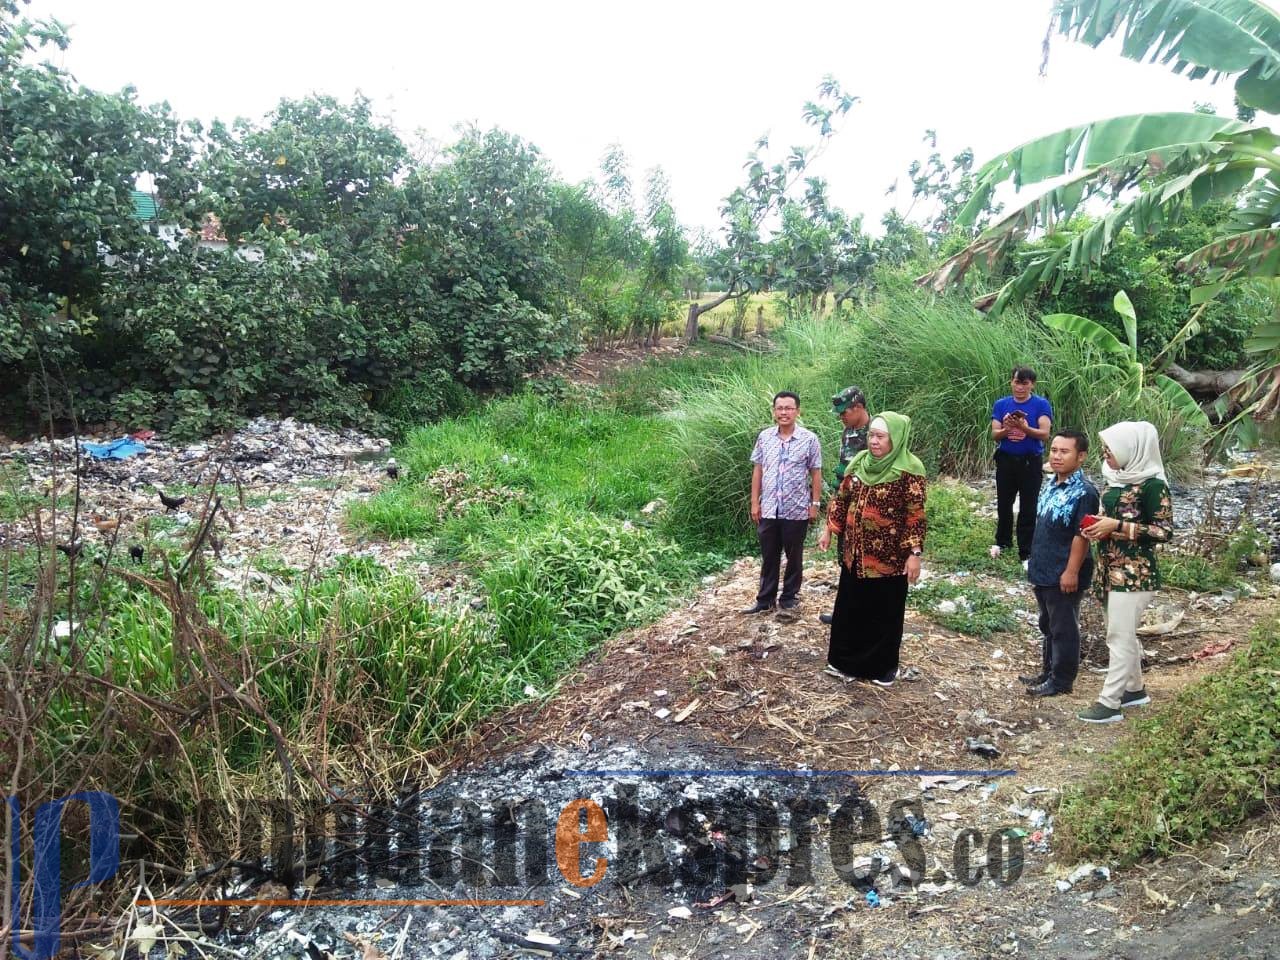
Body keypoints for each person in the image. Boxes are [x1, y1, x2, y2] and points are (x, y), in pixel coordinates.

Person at [818, 412, 926, 687]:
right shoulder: (859, 464)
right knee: (852, 608)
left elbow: (915, 515)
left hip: (888, 560)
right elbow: (841, 500)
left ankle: (881, 668)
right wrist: (829, 529)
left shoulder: (909, 471)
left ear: (896, 439)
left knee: (883, 613)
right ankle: (846, 663)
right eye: (871, 435)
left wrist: (914, 554)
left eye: (881, 436)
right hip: (855, 555)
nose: (874, 441)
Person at [1078, 421, 1174, 723]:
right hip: (1109, 570)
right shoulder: (1117, 479)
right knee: (1121, 634)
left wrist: (1118, 526)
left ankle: (1109, 702)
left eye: (1112, 449)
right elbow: (1110, 518)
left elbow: (1164, 532)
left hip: (1135, 575)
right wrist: (1099, 527)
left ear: (1132, 450)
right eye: (1105, 448)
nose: (1106, 454)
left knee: (1118, 638)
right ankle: (1134, 689)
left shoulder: (1153, 485)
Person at [1020, 429, 1099, 698]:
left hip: (1064, 569)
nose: (1056, 456)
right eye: (1054, 450)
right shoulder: (1051, 483)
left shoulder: (1085, 492)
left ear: (1081, 456)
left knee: (1064, 626)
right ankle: (1048, 671)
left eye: (1064, 452)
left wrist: (1071, 571)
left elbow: (1082, 534)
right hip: (1043, 566)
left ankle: (1062, 680)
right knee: (1047, 623)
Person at [743, 391, 823, 614]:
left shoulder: (809, 439)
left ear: (797, 411)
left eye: (789, 408)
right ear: (774, 411)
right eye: (780, 408)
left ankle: (789, 598)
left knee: (794, 555)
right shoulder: (765, 437)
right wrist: (754, 503)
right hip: (769, 507)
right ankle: (765, 600)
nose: (784, 412)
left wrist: (814, 504)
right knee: (769, 555)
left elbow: (816, 473)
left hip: (796, 508)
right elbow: (758, 470)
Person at [819, 385, 871, 626]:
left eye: (844, 413)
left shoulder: (877, 434)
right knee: (845, 561)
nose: (841, 418)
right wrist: (829, 525)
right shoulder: (847, 433)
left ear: (858, 407)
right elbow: (840, 478)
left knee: (866, 564)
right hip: (846, 508)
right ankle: (845, 613)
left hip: (870, 511)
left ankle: (863, 615)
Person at [990, 366, 1053, 564]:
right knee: (1004, 503)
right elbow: (994, 434)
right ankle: (1003, 541)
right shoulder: (1001, 405)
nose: (1020, 387)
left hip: (1030, 461)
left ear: (1031, 385)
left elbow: (1044, 434)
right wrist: (1007, 429)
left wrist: (1025, 428)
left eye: (1024, 383)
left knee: (1028, 506)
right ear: (1011, 382)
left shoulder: (1041, 405)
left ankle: (1026, 550)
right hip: (1006, 459)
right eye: (1017, 382)